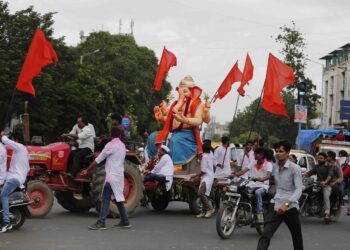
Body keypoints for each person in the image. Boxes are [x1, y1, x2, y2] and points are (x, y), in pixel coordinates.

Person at [257, 140, 303, 250]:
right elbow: (273, 182)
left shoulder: (294, 168)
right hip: (276, 204)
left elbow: (299, 189)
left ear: (287, 153)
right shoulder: (274, 167)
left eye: (281, 151)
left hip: (290, 207)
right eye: (276, 151)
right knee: (265, 235)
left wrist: (287, 204)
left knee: (296, 236)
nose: (278, 153)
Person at [82, 127, 131, 230]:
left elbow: (98, 160)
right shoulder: (122, 146)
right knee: (118, 199)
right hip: (119, 176)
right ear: (120, 135)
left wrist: (87, 170)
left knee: (105, 199)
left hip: (111, 176)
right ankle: (125, 220)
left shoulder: (110, 145)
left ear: (110, 134)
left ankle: (101, 222)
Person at [0, 132, 29, 233]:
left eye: (12, 140)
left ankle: (6, 222)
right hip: (15, 177)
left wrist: (2, 135)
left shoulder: (20, 147)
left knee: (3, 195)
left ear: (16, 140)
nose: (11, 142)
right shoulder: (22, 151)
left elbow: (6, 141)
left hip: (15, 178)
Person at [235, 147, 272, 223]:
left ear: (262, 155)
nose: (254, 155)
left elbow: (268, 176)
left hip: (263, 186)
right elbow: (243, 170)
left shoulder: (268, 164)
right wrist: (235, 174)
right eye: (255, 153)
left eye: (256, 153)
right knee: (241, 190)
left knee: (258, 192)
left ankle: (259, 213)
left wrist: (261, 179)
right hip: (252, 184)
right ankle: (243, 210)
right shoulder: (253, 162)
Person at [304, 152, 334, 223]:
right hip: (317, 184)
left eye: (321, 158)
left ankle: (327, 213)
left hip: (326, 185)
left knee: (326, 195)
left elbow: (330, 175)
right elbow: (310, 172)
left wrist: (325, 181)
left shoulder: (330, 166)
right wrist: (304, 174)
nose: (319, 159)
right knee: (307, 190)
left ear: (325, 159)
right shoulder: (317, 166)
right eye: (318, 158)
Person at [192, 142, 215, 218]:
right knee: (204, 194)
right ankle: (203, 211)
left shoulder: (205, 156)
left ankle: (210, 209)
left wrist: (196, 176)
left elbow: (203, 171)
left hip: (207, 177)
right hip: (208, 176)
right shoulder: (210, 154)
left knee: (201, 193)